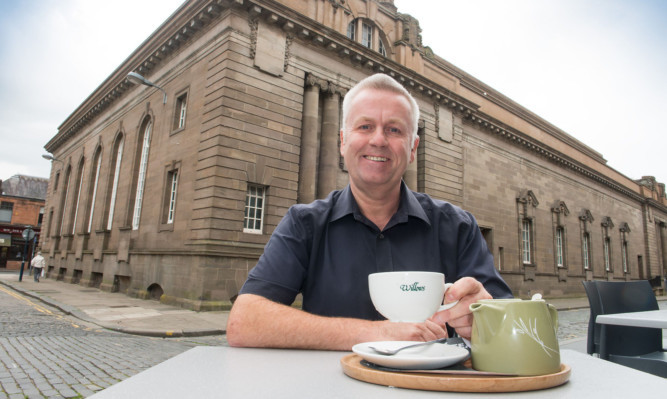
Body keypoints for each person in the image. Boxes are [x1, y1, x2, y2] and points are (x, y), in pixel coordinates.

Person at [227, 73, 512, 350]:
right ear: (343, 141)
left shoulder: (457, 227)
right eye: (365, 127)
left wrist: (485, 319)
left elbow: (514, 330)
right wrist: (377, 333)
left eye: (394, 129)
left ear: (413, 148)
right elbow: (244, 321)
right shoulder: (305, 224)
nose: (378, 140)